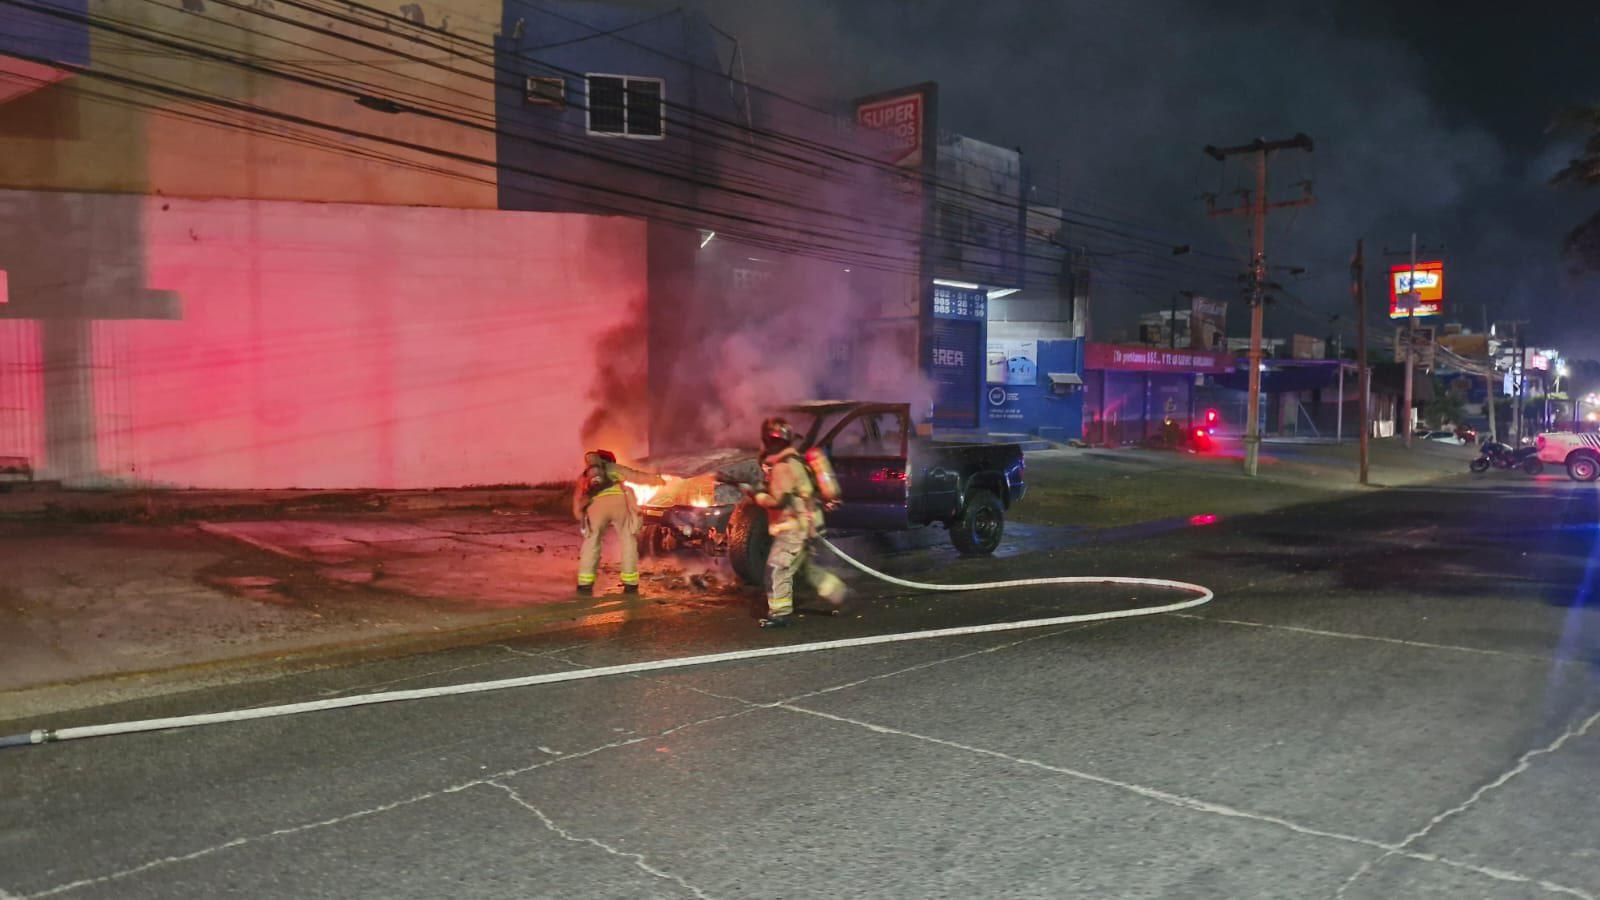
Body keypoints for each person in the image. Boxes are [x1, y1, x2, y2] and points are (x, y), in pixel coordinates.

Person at [747, 417, 846, 628]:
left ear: (768, 441)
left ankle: (779, 614)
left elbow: (777, 501)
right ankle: (841, 595)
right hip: (808, 524)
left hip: (794, 527)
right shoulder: (795, 460)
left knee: (777, 568)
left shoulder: (783, 466)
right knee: (806, 569)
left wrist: (755, 494)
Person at [573, 449, 662, 595]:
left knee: (591, 542)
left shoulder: (585, 475)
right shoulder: (614, 468)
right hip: (619, 504)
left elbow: (578, 498)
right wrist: (656, 480)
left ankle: (585, 584)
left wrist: (579, 514)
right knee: (628, 539)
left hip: (595, 507)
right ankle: (630, 583)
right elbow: (636, 476)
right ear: (610, 460)